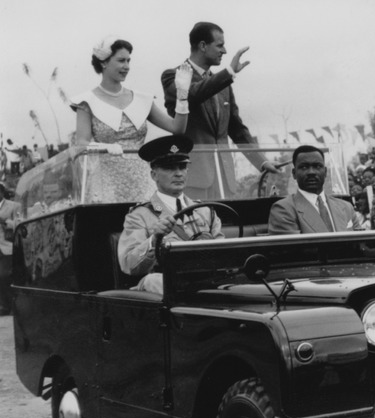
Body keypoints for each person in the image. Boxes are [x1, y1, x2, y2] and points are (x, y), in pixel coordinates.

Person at [162, 22, 278, 200]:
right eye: (220, 45)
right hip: (193, 179)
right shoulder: (173, 75)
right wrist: (229, 72)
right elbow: (191, 95)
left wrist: (262, 161)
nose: (224, 51)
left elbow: (236, 128)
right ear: (202, 46)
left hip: (225, 180)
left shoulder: (223, 84)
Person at [72, 37, 190, 203]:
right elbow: (81, 143)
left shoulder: (141, 99)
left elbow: (177, 128)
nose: (126, 66)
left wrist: (183, 95)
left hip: (142, 181)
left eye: (128, 61)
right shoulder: (87, 102)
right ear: (104, 63)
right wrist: (104, 147)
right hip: (107, 183)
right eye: (121, 61)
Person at [118, 135, 222, 294]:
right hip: (164, 283)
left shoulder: (206, 211)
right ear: (154, 175)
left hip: (205, 280)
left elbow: (224, 254)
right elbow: (128, 264)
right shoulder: (139, 215)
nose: (178, 173)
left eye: (182, 167)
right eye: (169, 168)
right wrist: (153, 239)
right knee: (154, 281)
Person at [268, 145, 354, 234]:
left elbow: (360, 245)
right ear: (294, 173)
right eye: (304, 167)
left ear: (325, 172)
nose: (311, 172)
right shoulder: (283, 210)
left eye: (317, 166)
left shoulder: (347, 208)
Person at [0, 183, 22, 314]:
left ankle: (10, 305)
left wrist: (4, 221)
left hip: (7, 247)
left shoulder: (14, 206)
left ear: (2, 192)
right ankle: (3, 306)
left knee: (4, 275)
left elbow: (20, 223)